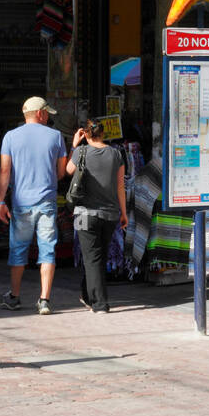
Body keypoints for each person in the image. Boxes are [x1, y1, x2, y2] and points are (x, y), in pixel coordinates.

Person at [0, 97, 67, 314]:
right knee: (48, 250)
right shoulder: (56, 136)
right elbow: (61, 173)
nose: (48, 117)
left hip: (21, 204)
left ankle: (14, 296)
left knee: (18, 250)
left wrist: (0, 201)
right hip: (47, 202)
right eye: (47, 113)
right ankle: (44, 300)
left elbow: (5, 171)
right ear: (40, 113)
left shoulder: (10, 137)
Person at [65, 122, 127, 314]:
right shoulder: (116, 154)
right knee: (97, 257)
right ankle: (87, 293)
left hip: (83, 214)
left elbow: (68, 171)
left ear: (86, 134)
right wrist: (123, 213)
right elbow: (120, 187)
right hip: (109, 214)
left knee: (91, 258)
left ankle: (99, 303)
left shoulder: (81, 152)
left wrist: (74, 145)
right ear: (103, 133)